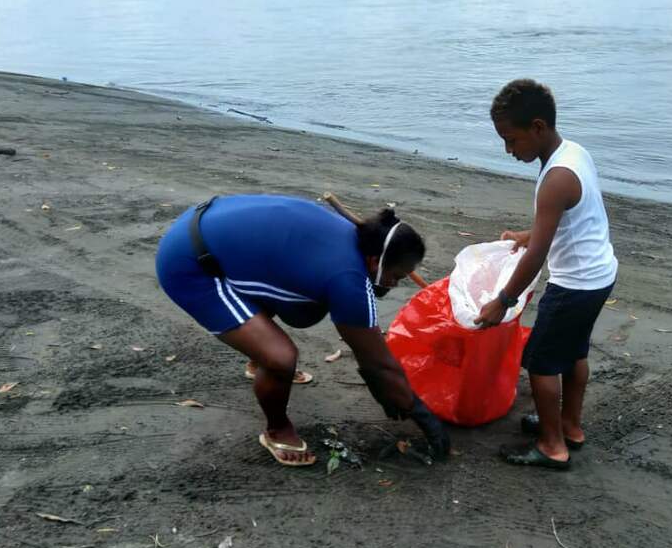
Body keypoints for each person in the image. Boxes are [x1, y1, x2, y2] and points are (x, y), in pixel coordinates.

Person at [155, 194, 450, 466]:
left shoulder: (356, 237)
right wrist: (424, 417)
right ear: (375, 261)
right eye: (395, 276)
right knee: (281, 358)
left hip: (210, 223)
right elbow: (378, 364)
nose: (394, 284)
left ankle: (257, 359)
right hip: (191, 263)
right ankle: (277, 430)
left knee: (300, 294)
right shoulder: (348, 279)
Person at [474, 79, 618, 470]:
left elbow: (537, 256)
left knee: (541, 362)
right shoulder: (574, 153)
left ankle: (552, 446)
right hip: (600, 275)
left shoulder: (555, 179)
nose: (508, 150)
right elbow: (572, 220)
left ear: (537, 127)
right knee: (574, 352)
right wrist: (529, 233)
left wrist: (502, 300)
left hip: (574, 285)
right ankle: (569, 425)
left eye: (511, 140)